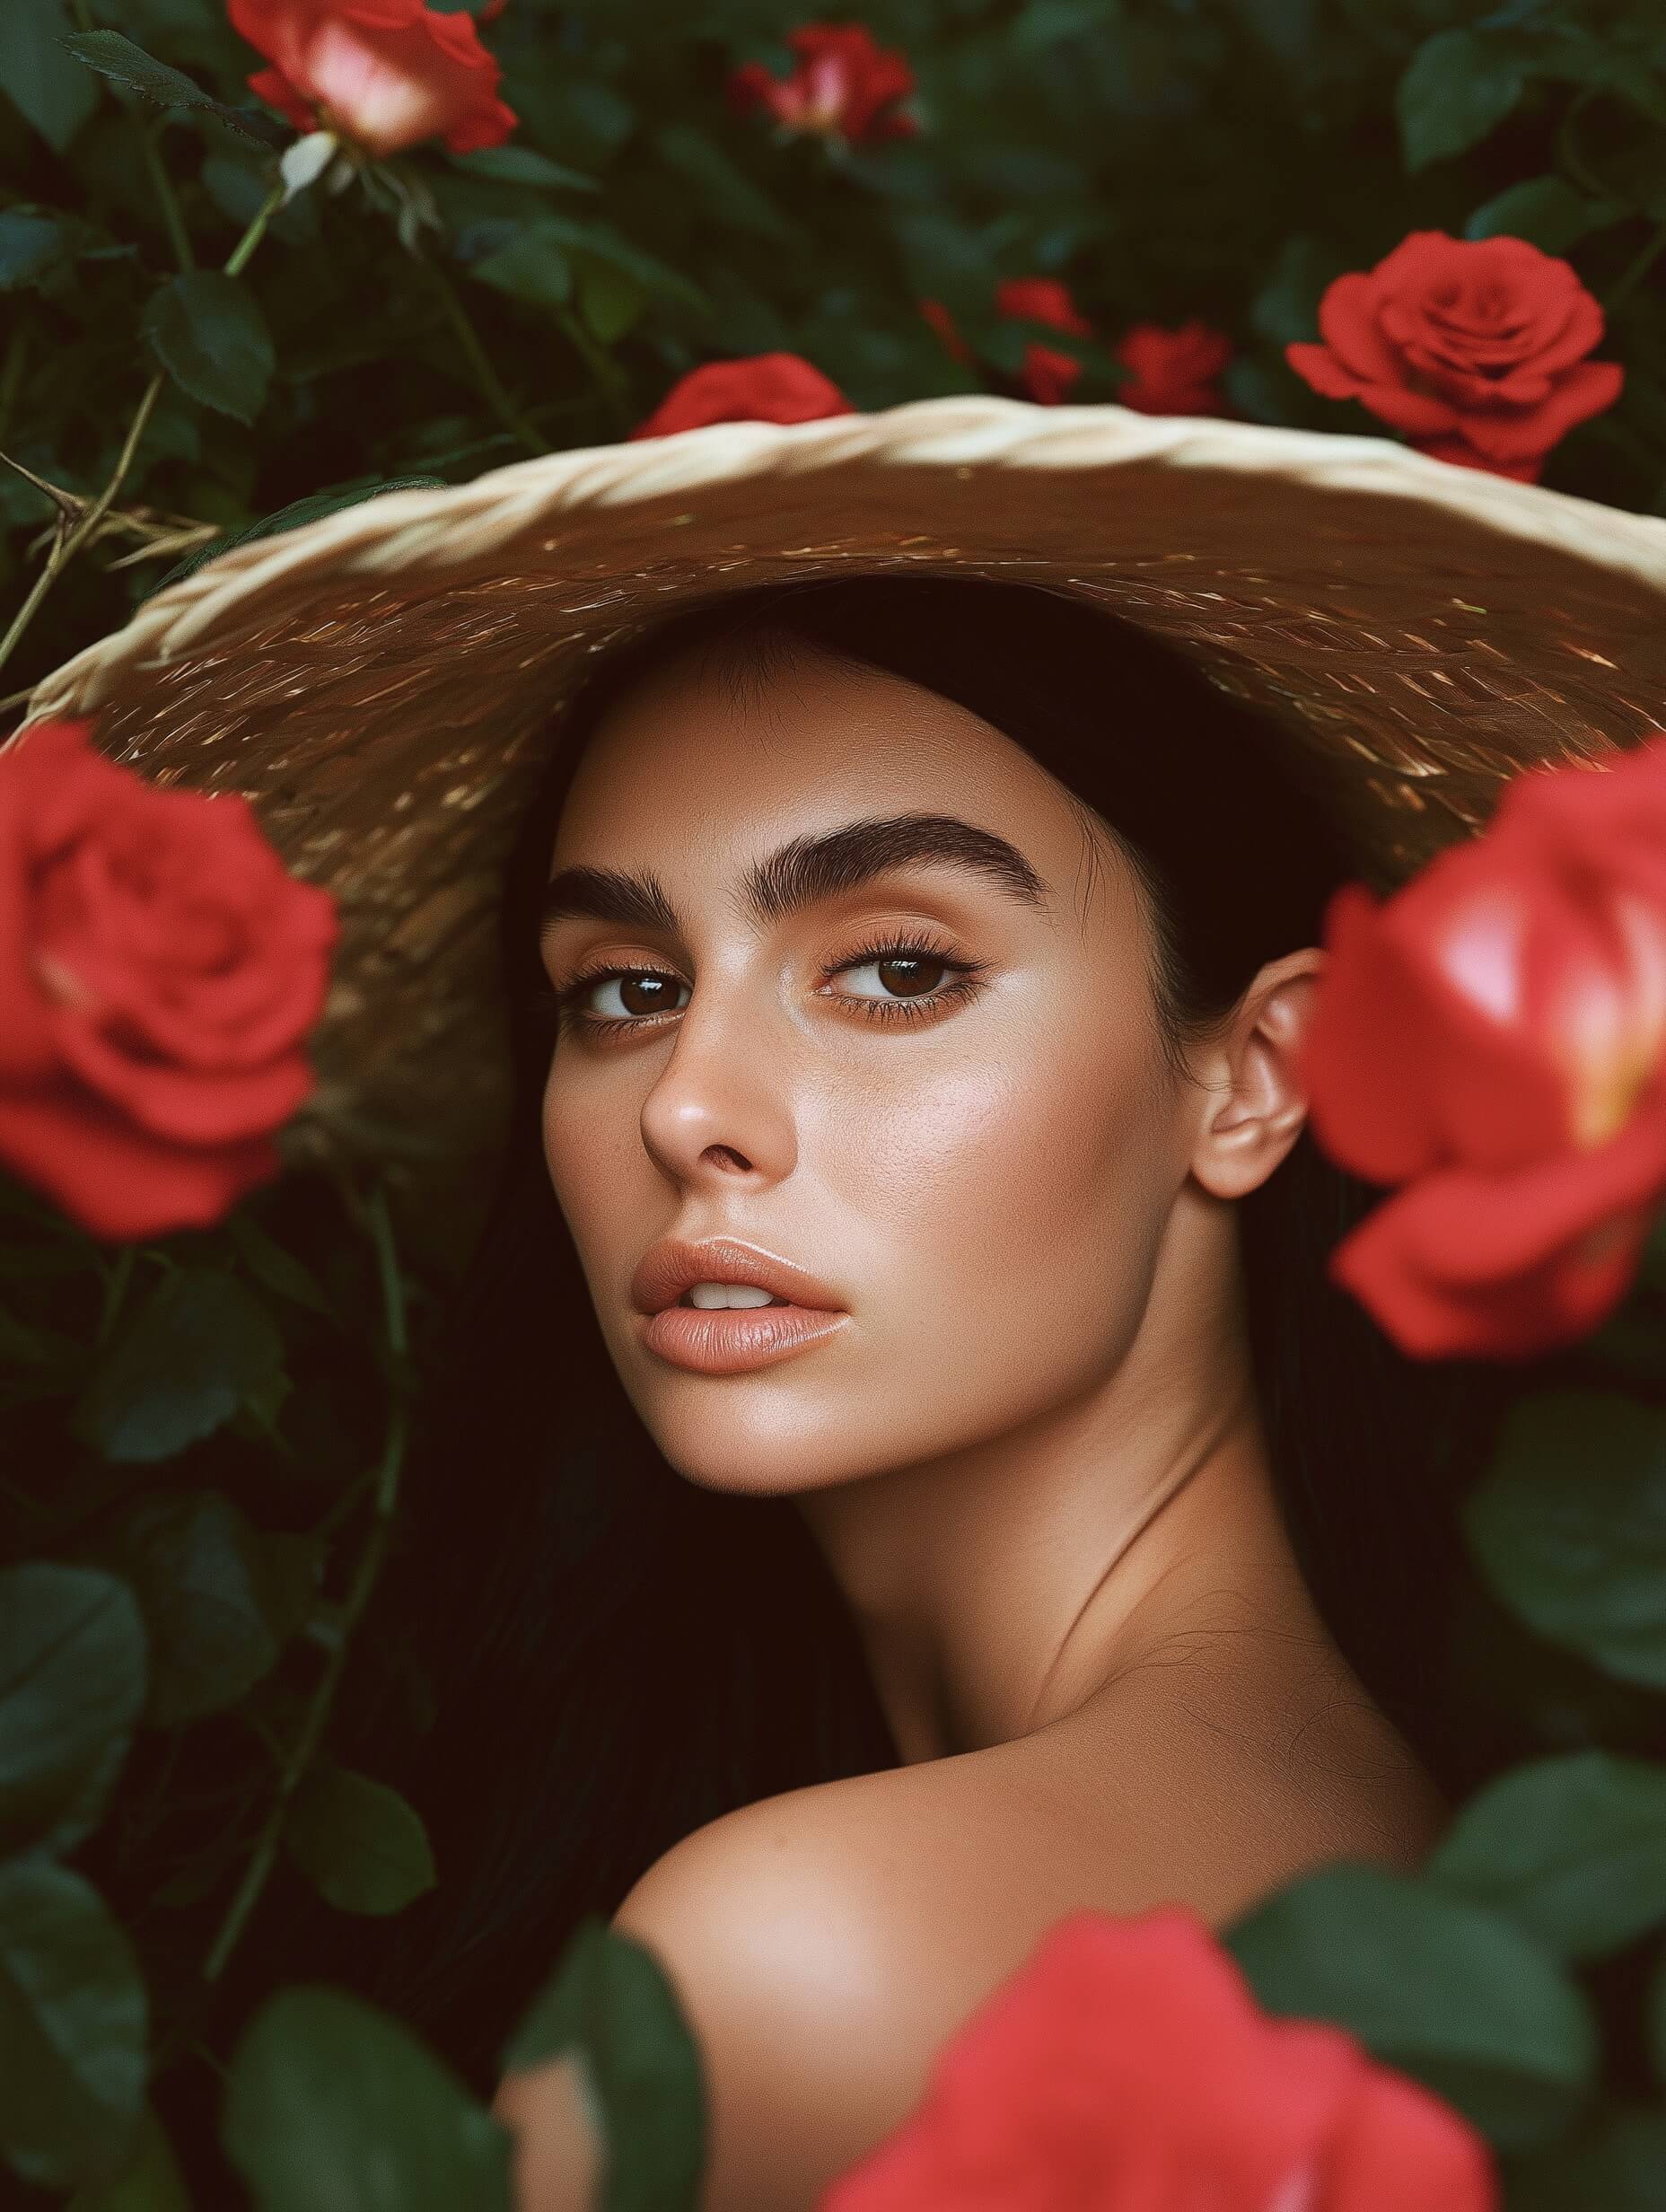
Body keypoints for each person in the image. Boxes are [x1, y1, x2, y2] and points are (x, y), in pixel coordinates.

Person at [23, 394, 1661, 2209]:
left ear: (1257, 1071)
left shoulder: (798, 1955)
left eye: (894, 966)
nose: (686, 1103)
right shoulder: (1406, 1843)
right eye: (624, 985)